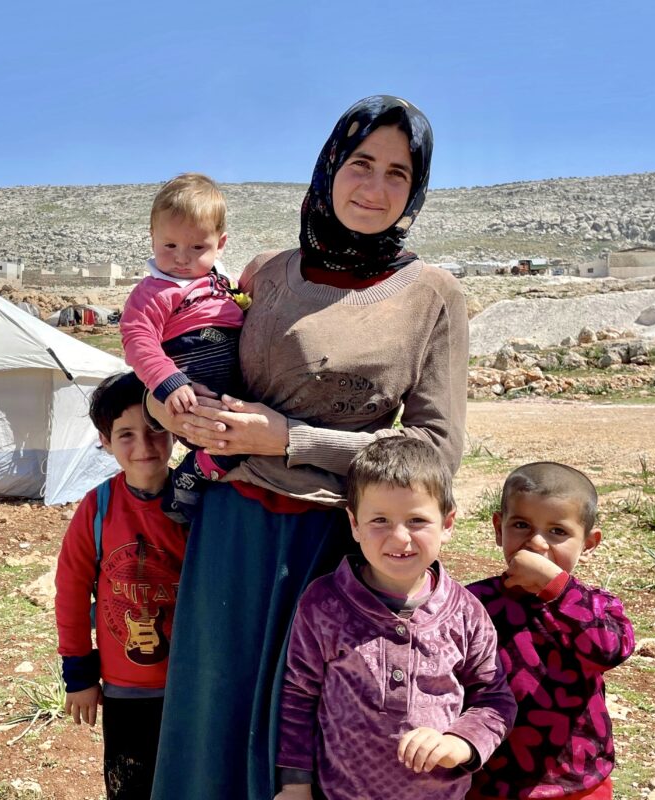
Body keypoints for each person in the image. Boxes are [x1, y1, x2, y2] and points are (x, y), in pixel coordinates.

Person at [147, 95, 470, 800]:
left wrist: (289, 438)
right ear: (329, 168)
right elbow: (188, 355)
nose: (375, 188)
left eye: (398, 173)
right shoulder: (265, 273)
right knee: (216, 717)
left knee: (315, 734)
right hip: (233, 532)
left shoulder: (434, 295)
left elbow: (436, 452)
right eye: (361, 164)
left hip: (337, 543)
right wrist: (168, 406)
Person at [275, 438, 515, 800]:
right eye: (380, 521)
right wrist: (295, 786)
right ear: (354, 524)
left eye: (417, 520)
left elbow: (494, 698)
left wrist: (460, 744)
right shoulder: (323, 605)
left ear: (447, 523)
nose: (399, 537)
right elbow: (298, 697)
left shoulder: (466, 612)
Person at [54, 372, 189, 800]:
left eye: (155, 430)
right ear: (105, 440)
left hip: (191, 681)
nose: (144, 446)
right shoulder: (98, 508)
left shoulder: (196, 503)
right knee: (130, 785)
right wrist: (79, 674)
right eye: (126, 434)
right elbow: (72, 592)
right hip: (125, 686)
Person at [465, 463, 636, 800]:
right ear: (499, 528)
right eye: (521, 525)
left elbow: (609, 650)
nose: (537, 544)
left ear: (588, 543)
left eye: (557, 531)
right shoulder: (473, 602)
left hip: (578, 781)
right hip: (490, 781)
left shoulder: (597, 606)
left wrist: (555, 586)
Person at [120, 173, 248, 520]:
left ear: (220, 244)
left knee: (252, 437)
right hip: (191, 388)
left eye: (197, 248)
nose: (182, 258)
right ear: (153, 239)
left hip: (236, 387)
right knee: (225, 441)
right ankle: (191, 475)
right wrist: (169, 381)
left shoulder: (225, 284)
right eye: (170, 246)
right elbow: (137, 338)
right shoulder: (153, 291)